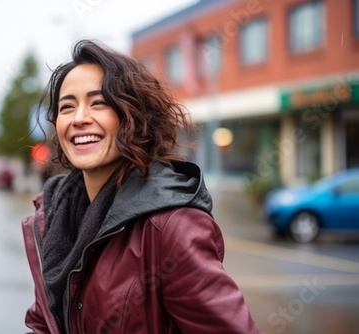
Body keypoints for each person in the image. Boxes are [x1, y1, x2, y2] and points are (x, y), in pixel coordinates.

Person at [21, 39, 260, 334]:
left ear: (132, 117)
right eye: (67, 107)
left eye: (99, 103)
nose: (79, 118)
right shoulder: (54, 215)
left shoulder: (172, 227)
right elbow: (42, 323)